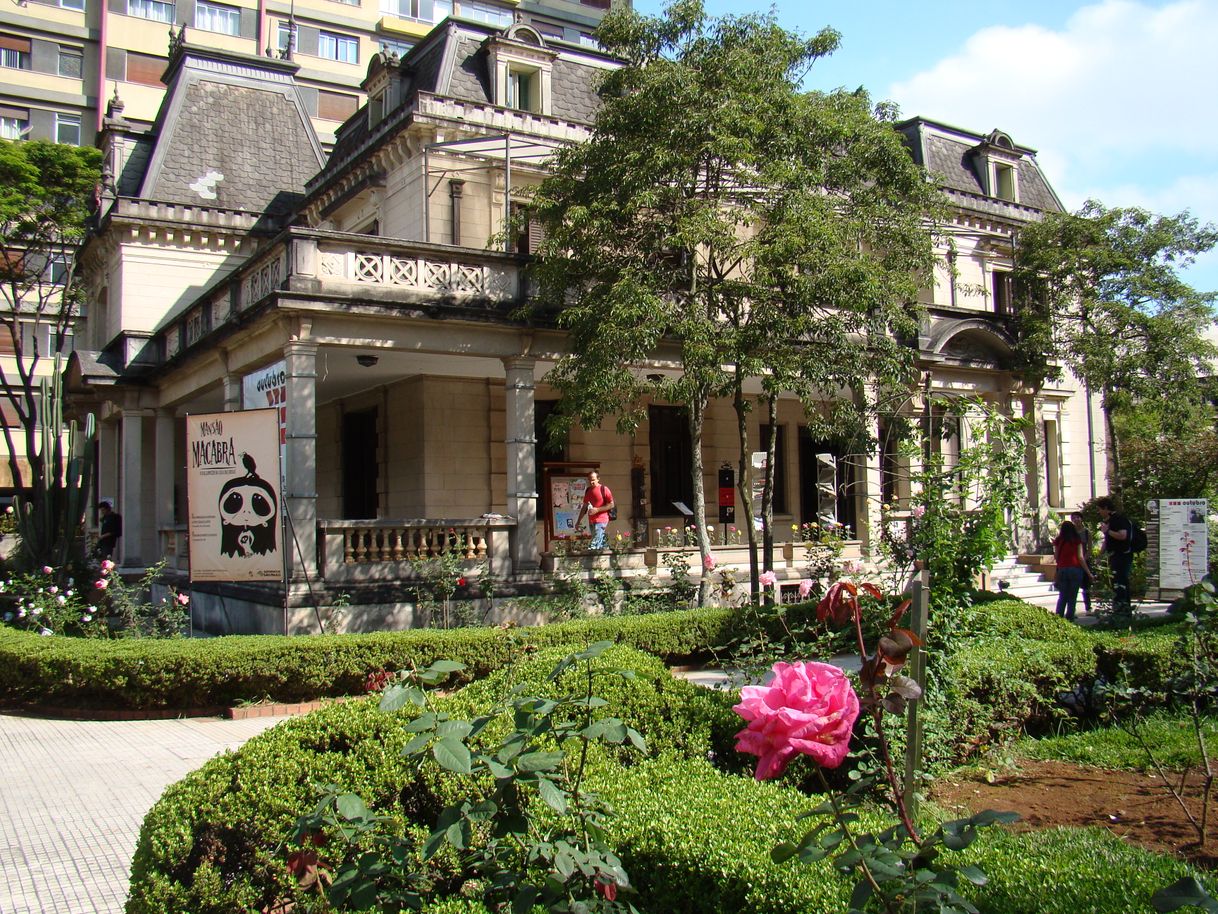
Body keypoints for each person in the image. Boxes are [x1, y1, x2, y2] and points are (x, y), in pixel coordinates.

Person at [1096, 496, 1132, 615]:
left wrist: (1108, 531)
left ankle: (1122, 610)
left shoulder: (1118, 520)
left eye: (1100, 509)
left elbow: (1123, 535)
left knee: (1120, 582)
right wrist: (1100, 555)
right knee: (1116, 582)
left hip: (1122, 556)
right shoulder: (1109, 521)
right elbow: (1107, 541)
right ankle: (1120, 609)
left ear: (1106, 508)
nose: (1099, 512)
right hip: (1114, 556)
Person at [1053, 519, 1092, 621]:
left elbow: (1056, 557)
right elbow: (1080, 557)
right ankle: (1070, 617)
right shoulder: (1076, 540)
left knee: (1062, 596)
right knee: (1072, 596)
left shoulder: (1058, 540)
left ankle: (1059, 617)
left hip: (1062, 569)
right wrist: (1088, 572)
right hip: (1075, 569)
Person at [575, 470, 615, 551]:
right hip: (592, 521)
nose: (591, 482)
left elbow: (611, 504)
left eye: (593, 479)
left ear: (598, 479)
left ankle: (589, 558)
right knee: (601, 542)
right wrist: (578, 521)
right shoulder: (588, 491)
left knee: (595, 543)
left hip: (602, 519)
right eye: (589, 480)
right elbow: (584, 507)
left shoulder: (604, 489)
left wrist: (597, 510)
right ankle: (608, 557)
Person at [1069, 511, 1094, 615]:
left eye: (1078, 517)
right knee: (1073, 587)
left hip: (1084, 561)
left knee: (1086, 586)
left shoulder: (1087, 532)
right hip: (1073, 562)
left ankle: (1088, 607)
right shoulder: (1070, 533)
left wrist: (1084, 559)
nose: (1076, 520)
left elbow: (1090, 548)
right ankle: (1072, 609)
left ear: (1081, 519)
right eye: (1074, 518)